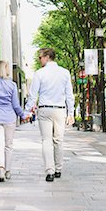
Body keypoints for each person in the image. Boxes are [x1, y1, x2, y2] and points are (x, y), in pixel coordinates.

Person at [24, 48, 74, 182]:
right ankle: (58, 169)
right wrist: (71, 113)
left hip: (45, 109)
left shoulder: (40, 73)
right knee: (58, 140)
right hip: (60, 110)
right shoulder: (65, 72)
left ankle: (50, 171)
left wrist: (27, 111)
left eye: (40, 58)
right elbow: (69, 95)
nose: (39, 60)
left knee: (46, 141)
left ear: (47, 57)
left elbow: (33, 95)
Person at [0, 60, 27, 182]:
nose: (9, 70)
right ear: (4, 69)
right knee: (8, 145)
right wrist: (22, 115)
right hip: (9, 118)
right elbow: (15, 105)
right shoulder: (12, 85)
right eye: (7, 67)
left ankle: (1, 170)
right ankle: (8, 170)